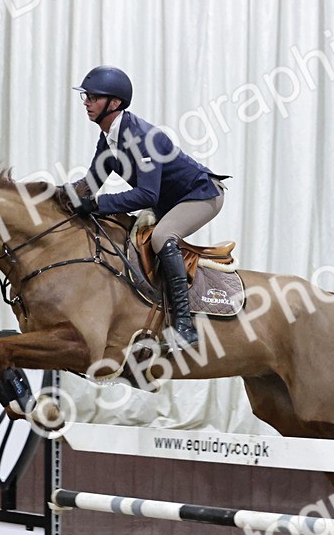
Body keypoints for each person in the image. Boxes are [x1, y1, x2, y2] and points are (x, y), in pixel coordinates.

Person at [64, 66, 225, 348]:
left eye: (93, 97)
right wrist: (51, 196)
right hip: (170, 200)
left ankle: (185, 327)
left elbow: (147, 195)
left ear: (114, 103)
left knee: (163, 237)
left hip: (201, 194)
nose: (87, 102)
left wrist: (98, 204)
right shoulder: (109, 138)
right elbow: (90, 184)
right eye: (86, 97)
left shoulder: (140, 138)